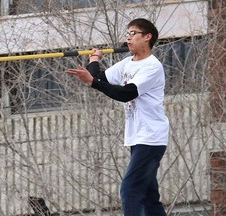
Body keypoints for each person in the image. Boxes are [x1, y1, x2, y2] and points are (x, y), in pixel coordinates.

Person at [66, 18, 169, 216]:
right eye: (127, 34)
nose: (128, 38)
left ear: (147, 37)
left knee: (130, 189)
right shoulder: (127, 63)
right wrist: (94, 60)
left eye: (133, 33)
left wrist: (92, 82)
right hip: (137, 138)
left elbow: (126, 93)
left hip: (151, 137)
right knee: (148, 196)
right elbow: (99, 78)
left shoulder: (152, 67)